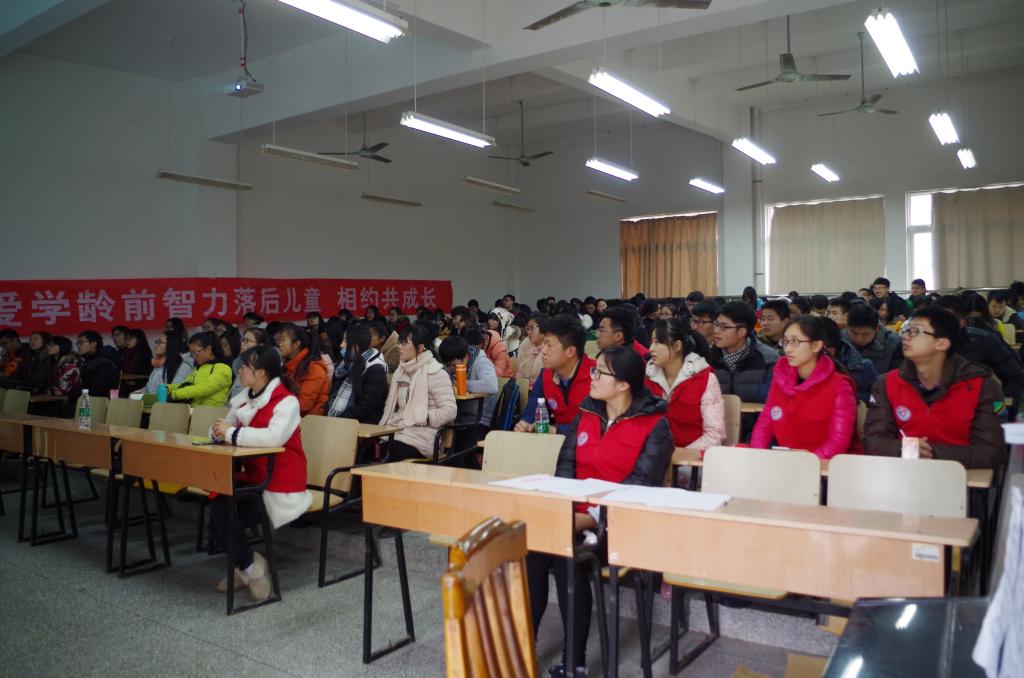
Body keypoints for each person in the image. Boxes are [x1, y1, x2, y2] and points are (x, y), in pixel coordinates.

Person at [526, 346, 672, 677]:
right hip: (574, 517)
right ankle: (524, 645)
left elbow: (640, 487)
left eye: (599, 372)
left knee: (567, 555)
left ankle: (574, 662)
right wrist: (563, 508)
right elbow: (566, 467)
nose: (591, 377)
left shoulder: (655, 425)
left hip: (621, 523)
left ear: (623, 384)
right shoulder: (587, 413)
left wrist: (591, 518)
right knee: (534, 547)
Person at [209, 345, 313, 601]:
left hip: (280, 484)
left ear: (262, 373)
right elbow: (226, 424)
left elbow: (272, 437)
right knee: (218, 507)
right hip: (254, 477)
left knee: (224, 510)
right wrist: (218, 431)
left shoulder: (287, 401)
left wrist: (230, 433)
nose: (240, 371)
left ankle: (246, 567)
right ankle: (248, 566)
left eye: (245, 367)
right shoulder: (245, 396)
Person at [863, 306, 1005, 469]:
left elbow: (992, 451)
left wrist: (932, 453)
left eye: (915, 331)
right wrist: (906, 449)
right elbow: (873, 441)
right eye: (907, 330)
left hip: (962, 477)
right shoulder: (886, 383)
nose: (905, 336)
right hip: (902, 473)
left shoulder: (983, 386)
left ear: (942, 343)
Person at [750, 316, 862, 459]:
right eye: (785, 341)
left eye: (795, 342)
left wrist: (805, 464)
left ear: (816, 346)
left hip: (828, 466)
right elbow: (765, 424)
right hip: (788, 461)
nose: (788, 349)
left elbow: (838, 442)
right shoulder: (781, 379)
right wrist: (757, 456)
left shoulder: (840, 385)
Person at [378, 325, 458, 460]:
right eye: (399, 342)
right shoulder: (401, 371)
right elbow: (397, 409)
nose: (399, 347)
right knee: (370, 448)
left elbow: (450, 411)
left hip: (423, 437)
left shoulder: (436, 373)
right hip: (399, 431)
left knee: (392, 451)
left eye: (405, 343)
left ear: (421, 348)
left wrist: (423, 417)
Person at [646, 318, 725, 451]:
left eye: (658, 342)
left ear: (677, 346)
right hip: (651, 456)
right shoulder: (647, 377)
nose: (651, 349)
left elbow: (714, 434)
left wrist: (679, 455)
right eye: (651, 342)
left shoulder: (705, 379)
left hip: (690, 458)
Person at [933, 296, 1023, 410]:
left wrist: (997, 411)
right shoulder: (924, 343)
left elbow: (1014, 378)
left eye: (943, 322)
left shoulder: (984, 341)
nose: (936, 328)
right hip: (935, 412)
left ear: (961, 323)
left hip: (977, 410)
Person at [516, 314, 595, 435]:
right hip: (559, 443)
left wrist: (558, 430)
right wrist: (525, 424)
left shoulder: (597, 376)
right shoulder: (546, 374)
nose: (543, 351)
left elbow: (599, 425)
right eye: (544, 344)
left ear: (570, 351)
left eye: (549, 345)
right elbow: (532, 409)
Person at [709, 301, 778, 404]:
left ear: (741, 332)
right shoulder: (707, 357)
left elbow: (772, 401)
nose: (716, 330)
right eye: (716, 324)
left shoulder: (768, 359)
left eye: (723, 327)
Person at [439, 335, 498, 448]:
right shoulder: (451, 366)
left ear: (466, 357)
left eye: (453, 365)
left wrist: (462, 385)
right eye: (448, 365)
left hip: (479, 420)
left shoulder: (481, 362)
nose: (451, 369)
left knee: (457, 446)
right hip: (458, 417)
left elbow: (492, 386)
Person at [326, 323, 389, 423]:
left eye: (346, 341)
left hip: (362, 424)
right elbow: (332, 395)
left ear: (358, 344)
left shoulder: (375, 369)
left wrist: (339, 419)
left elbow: (366, 405)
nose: (341, 345)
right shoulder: (344, 365)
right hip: (336, 421)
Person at [275, 323, 330, 417]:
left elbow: (303, 405)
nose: (279, 344)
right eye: (278, 340)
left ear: (296, 344)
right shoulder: (288, 365)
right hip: (290, 416)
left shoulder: (314, 368)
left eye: (283, 340)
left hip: (309, 422)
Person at [167, 332, 233, 406]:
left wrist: (175, 394)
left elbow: (205, 388)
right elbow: (184, 385)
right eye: (191, 354)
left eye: (195, 352)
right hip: (195, 411)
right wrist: (168, 389)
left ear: (208, 349)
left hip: (212, 412)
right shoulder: (197, 368)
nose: (193, 357)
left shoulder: (223, 368)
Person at [821, 318, 877, 404]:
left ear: (830, 351)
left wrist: (850, 397)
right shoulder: (802, 368)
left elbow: (877, 399)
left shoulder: (862, 368)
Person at [842, 303, 903, 375]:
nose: (859, 339)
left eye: (865, 334)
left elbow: (894, 376)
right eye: (854, 333)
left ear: (877, 328)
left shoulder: (894, 344)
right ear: (847, 327)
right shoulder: (840, 339)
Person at [229, 328, 271, 399]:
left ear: (260, 345)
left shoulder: (266, 367)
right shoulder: (240, 363)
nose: (242, 344)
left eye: (247, 341)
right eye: (242, 340)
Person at [76, 330, 120, 396]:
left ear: (93, 344)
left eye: (81, 342)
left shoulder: (104, 363)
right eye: (77, 343)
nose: (78, 346)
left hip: (100, 401)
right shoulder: (90, 360)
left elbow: (98, 391)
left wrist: (73, 395)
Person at [515, 313, 546, 387]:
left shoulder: (552, 350)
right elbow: (519, 375)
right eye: (527, 329)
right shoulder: (524, 347)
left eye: (532, 328)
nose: (528, 332)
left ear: (543, 327)